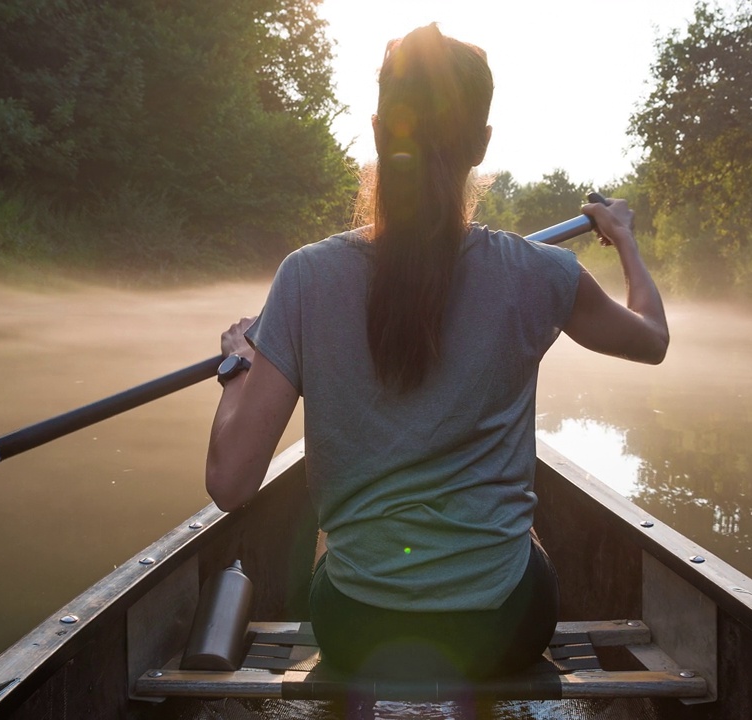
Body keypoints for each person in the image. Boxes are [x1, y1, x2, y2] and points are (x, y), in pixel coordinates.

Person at [205, 24, 668, 681]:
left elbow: (230, 485)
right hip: (502, 627)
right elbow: (653, 340)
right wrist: (624, 240)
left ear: (375, 130)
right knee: (526, 545)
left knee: (326, 553)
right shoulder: (541, 275)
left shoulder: (305, 278)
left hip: (356, 630)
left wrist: (237, 365)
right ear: (482, 145)